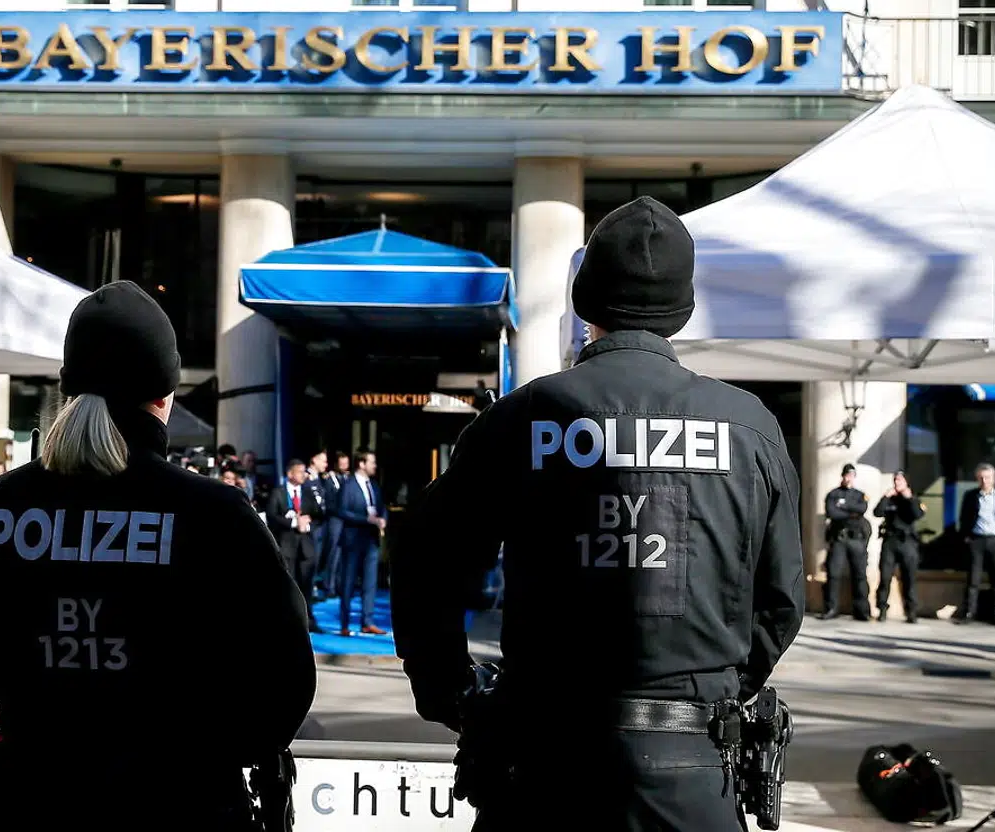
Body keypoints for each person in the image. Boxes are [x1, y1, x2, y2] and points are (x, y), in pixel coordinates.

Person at [390, 198, 804, 831]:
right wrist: (717, 689)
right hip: (693, 770)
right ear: (682, 309)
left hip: (543, 768)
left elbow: (427, 562)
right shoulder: (749, 428)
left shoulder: (523, 417)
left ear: (585, 303)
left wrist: (452, 693)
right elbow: (780, 601)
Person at [0, 281, 315, 828]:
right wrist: (205, 756)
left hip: (25, 799)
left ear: (68, 388)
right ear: (165, 395)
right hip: (181, 803)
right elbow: (283, 678)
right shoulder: (214, 513)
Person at [265, 458, 323, 632]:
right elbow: (271, 516)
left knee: (306, 585)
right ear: (290, 474)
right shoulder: (278, 492)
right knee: (288, 585)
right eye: (300, 471)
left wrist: (308, 524)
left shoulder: (308, 492)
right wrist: (293, 523)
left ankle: (308, 620)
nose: (303, 475)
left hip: (306, 546)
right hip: (286, 545)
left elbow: (318, 514)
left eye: (304, 471)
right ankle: (287, 621)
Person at [956, 462, 995, 626]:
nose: (985, 481)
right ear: (977, 479)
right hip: (977, 540)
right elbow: (963, 518)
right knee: (973, 579)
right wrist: (966, 536)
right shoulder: (971, 496)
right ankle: (969, 612)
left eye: (988, 478)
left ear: (994, 478)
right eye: (981, 478)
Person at [336, 451, 388, 637]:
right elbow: (342, 511)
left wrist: (383, 519)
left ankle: (368, 621)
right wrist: (366, 519)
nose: (375, 466)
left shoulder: (374, 485)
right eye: (372, 462)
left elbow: (381, 507)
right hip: (352, 541)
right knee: (348, 582)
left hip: (371, 540)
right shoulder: (348, 485)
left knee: (370, 582)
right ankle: (344, 623)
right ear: (361, 464)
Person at [821, 464, 871, 620]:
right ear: (842, 476)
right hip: (839, 540)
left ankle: (862, 611)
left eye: (851, 475)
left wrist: (843, 506)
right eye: (846, 475)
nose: (849, 478)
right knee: (833, 574)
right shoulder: (833, 494)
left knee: (860, 575)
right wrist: (852, 513)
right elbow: (832, 513)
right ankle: (831, 608)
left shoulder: (860, 495)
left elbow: (862, 509)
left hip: (856, 540)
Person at [874, 471, 924, 623]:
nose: (897, 483)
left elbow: (918, 514)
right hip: (890, 541)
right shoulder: (890, 499)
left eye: (900, 480)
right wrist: (885, 497)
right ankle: (882, 609)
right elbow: (877, 512)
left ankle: (911, 611)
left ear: (906, 482)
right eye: (895, 480)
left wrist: (909, 498)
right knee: (885, 577)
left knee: (909, 578)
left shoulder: (912, 498)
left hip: (907, 542)